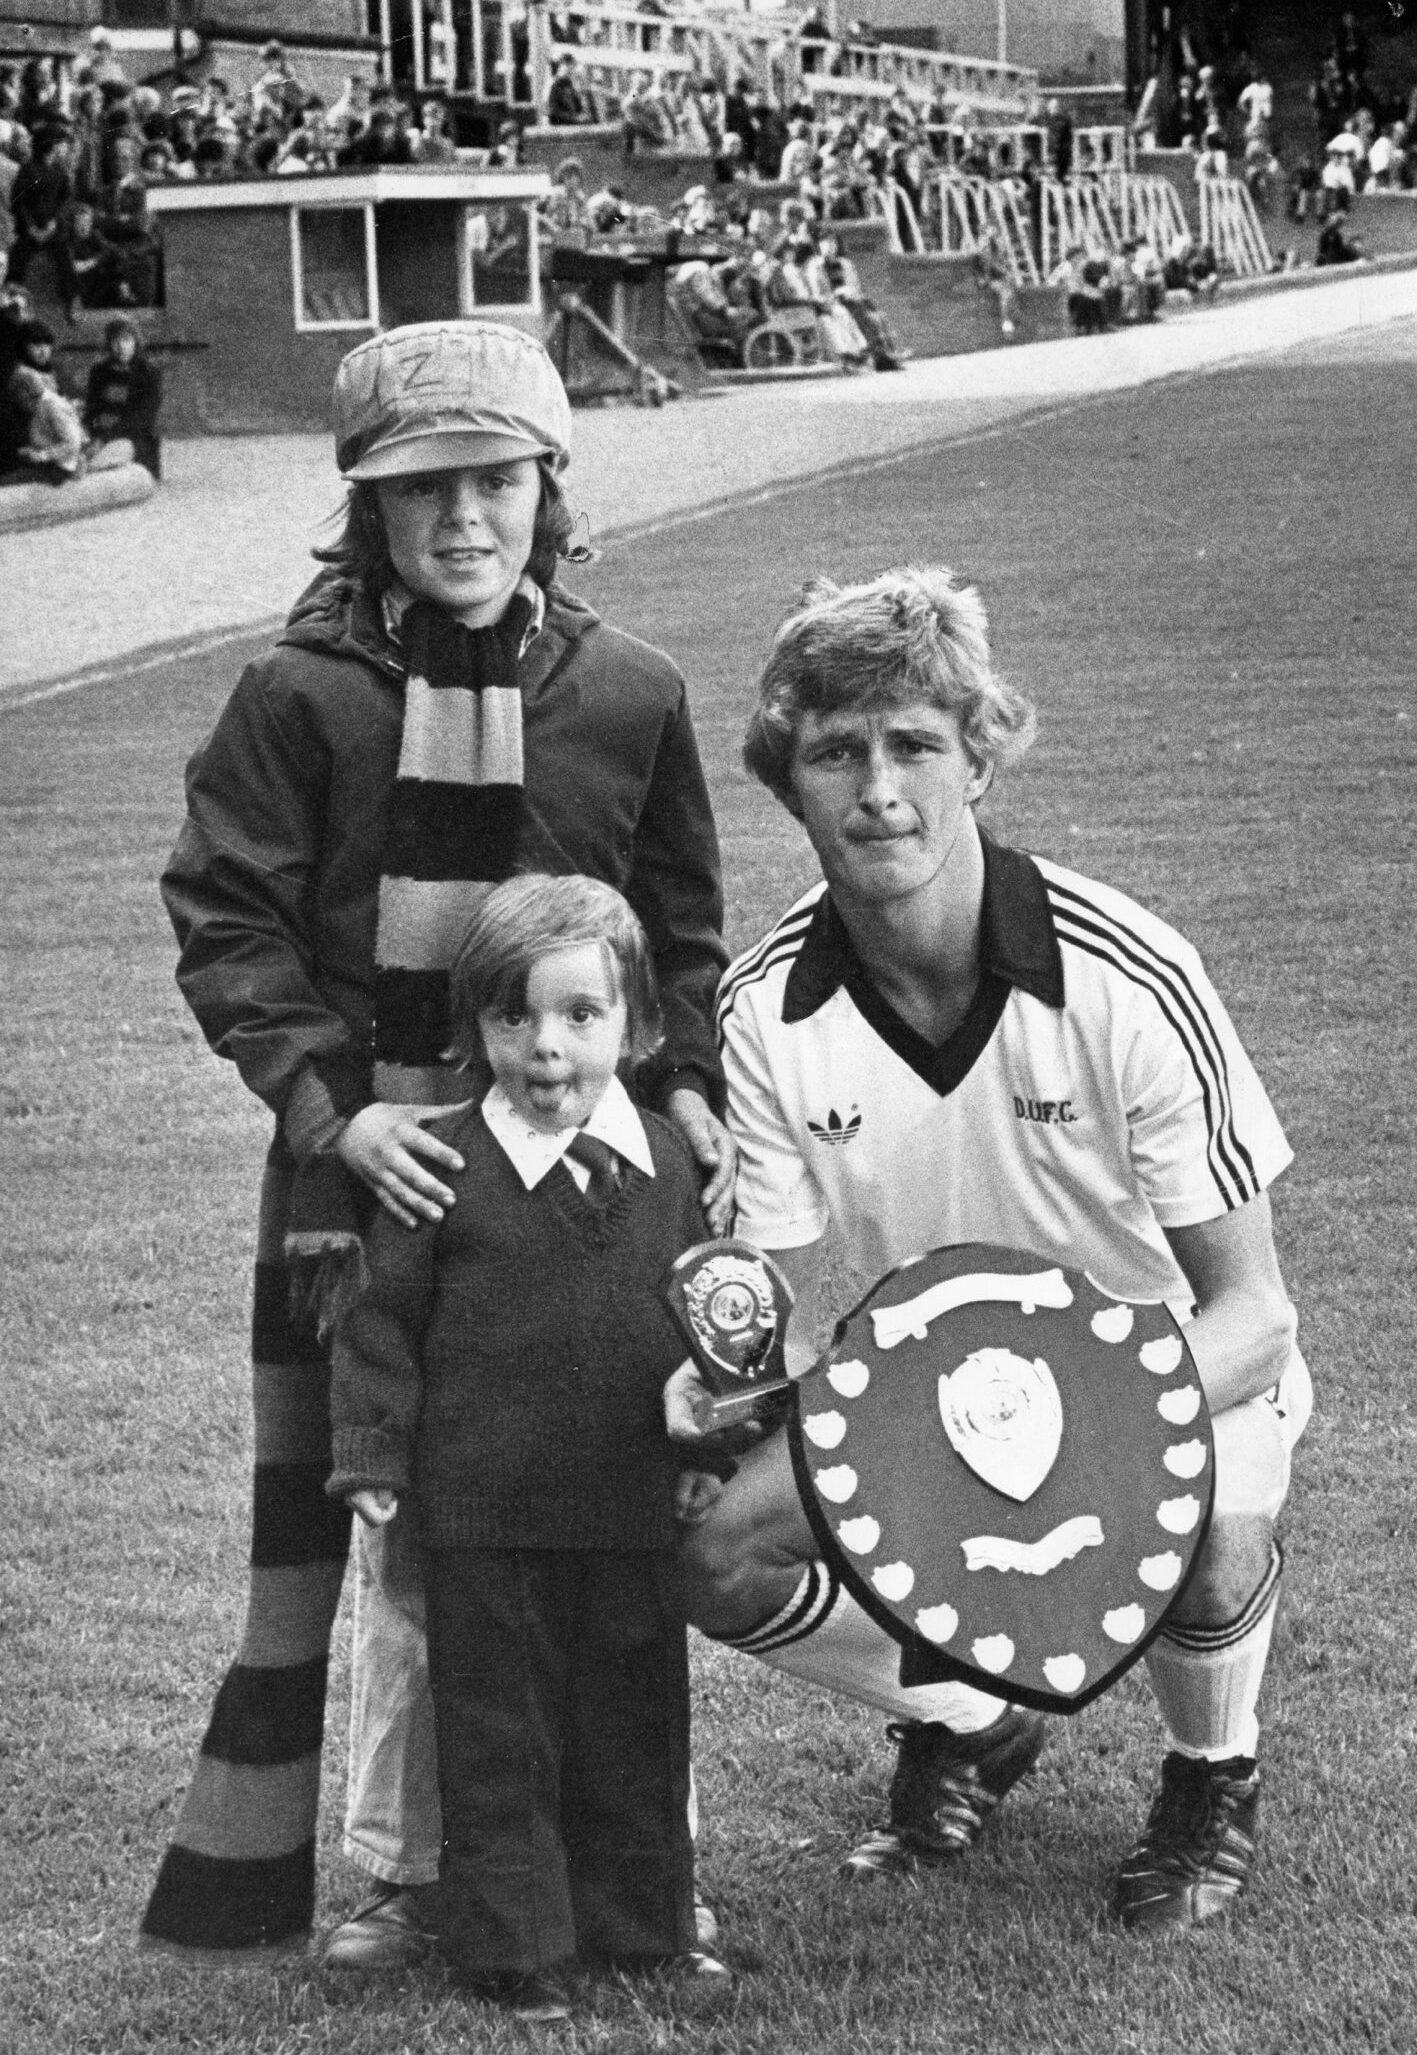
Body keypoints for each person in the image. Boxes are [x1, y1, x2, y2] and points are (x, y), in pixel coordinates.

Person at [142, 320, 735, 1966]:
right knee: (406, 1525)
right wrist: (341, 1114)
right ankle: (410, 1875)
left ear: (550, 490)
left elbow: (680, 935)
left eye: (495, 481)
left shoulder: (629, 691)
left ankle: (630, 1866)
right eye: (422, 491)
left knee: (609, 1518)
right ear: (366, 509)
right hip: (371, 1186)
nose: (463, 519)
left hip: (586, 1187)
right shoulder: (300, 694)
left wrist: (682, 1083)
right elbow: (229, 923)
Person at [666, 565, 1310, 1932]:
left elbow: (1255, 1310)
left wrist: (1096, 1406)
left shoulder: (1129, 971)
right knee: (708, 1546)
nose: (879, 788)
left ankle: (1211, 1772)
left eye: (915, 744)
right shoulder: (767, 1006)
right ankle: (971, 1714)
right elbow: (769, 1304)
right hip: (926, 1387)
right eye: (837, 750)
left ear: (981, 759)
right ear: (791, 780)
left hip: (1163, 1356)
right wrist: (729, 1390)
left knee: (1208, 1537)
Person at [327, 873, 729, 2022]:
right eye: (513, 1017)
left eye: (579, 1016)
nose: (544, 1047)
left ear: (637, 1025)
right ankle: (515, 1951)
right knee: (500, 1743)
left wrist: (709, 1445)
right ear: (476, 1028)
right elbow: (378, 1322)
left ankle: (646, 1933)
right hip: (485, 1517)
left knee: (633, 1727)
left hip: (628, 1507)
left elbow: (705, 1325)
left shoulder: (668, 1168)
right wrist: (372, 1457)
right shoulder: (439, 1167)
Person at [84, 315, 161, 476]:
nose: (121, 347)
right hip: (99, 436)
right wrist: (92, 432)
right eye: (115, 341)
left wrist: (104, 439)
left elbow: (142, 419)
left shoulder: (148, 373)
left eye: (126, 340)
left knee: (103, 459)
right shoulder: (99, 371)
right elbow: (91, 410)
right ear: (108, 344)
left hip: (133, 439)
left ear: (135, 342)